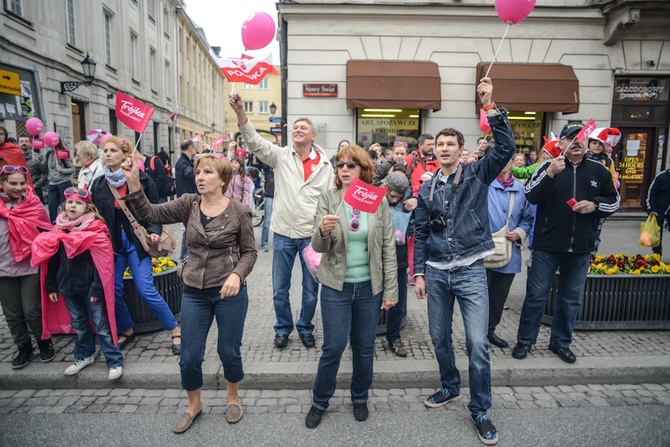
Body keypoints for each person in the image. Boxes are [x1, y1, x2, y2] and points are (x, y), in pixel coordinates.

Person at [120, 153, 257, 433]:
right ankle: (194, 404)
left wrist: (237, 274)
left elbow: (250, 253)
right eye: (198, 172)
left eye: (207, 172)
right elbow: (150, 213)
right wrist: (134, 182)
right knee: (190, 355)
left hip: (229, 292)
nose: (199, 177)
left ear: (222, 179)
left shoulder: (239, 211)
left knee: (228, 351)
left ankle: (233, 397)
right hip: (194, 291)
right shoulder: (188, 204)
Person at [413, 78, 513, 446]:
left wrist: (490, 106)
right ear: (433, 150)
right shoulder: (426, 188)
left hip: (471, 268)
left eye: (450, 144)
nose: (443, 148)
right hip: (437, 272)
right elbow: (421, 232)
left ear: (461, 149)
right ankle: (450, 386)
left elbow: (506, 146)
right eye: (439, 144)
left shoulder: (477, 173)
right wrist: (419, 272)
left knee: (476, 342)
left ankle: (481, 408)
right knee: (439, 339)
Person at [230, 93, 333, 349]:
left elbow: (334, 198)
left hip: (312, 237)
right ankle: (283, 328)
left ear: (313, 136)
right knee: (279, 289)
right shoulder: (281, 156)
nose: (297, 130)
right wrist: (241, 112)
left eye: (303, 128)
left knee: (311, 289)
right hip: (284, 233)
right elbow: (254, 142)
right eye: (295, 128)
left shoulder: (327, 166)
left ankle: (306, 327)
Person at [305, 144, 398, 429]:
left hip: (369, 288)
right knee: (333, 347)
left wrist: (391, 290)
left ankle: (360, 397)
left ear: (363, 168)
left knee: (364, 346)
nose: (344, 169)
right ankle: (320, 401)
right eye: (340, 164)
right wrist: (322, 231)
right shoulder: (329, 197)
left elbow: (387, 246)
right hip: (336, 285)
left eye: (351, 165)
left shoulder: (375, 200)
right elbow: (318, 245)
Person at [512, 121, 620, 364]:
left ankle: (560, 343)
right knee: (536, 296)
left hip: (581, 248)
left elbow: (613, 201)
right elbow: (531, 195)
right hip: (547, 246)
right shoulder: (547, 167)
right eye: (570, 139)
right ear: (561, 143)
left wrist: (595, 205)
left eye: (580, 139)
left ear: (586, 143)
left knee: (571, 299)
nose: (576, 144)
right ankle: (525, 341)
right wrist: (550, 174)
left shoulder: (599, 171)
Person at [90, 136, 181, 353]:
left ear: (125, 154)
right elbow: (94, 214)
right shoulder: (99, 183)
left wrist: (154, 231)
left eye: (113, 150)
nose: (108, 154)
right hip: (113, 245)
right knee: (113, 289)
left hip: (138, 243)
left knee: (146, 288)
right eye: (105, 151)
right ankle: (127, 329)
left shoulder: (139, 178)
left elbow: (155, 207)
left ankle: (174, 329)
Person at [32, 188, 122, 380]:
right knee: (79, 324)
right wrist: (52, 285)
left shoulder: (95, 229)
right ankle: (85, 355)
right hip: (68, 287)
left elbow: (103, 263)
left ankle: (114, 360)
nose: (73, 206)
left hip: (90, 287)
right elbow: (53, 260)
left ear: (88, 208)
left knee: (101, 325)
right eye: (70, 202)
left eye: (79, 203)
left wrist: (98, 286)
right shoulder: (59, 229)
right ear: (64, 206)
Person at [0, 165, 54, 369]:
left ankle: (43, 341)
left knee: (31, 309)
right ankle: (23, 346)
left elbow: (47, 230)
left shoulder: (33, 204)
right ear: (2, 184)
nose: (19, 187)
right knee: (12, 313)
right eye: (13, 183)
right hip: (3, 267)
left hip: (30, 265)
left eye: (22, 183)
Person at [485, 159, 534, 349]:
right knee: (480, 298)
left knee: (498, 298)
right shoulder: (484, 184)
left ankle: (490, 331)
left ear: (514, 162)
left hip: (509, 253)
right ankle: (477, 336)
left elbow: (527, 217)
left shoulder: (521, 189)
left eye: (509, 158)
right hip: (484, 252)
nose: (504, 161)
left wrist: (520, 232)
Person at [382, 172, 412, 357]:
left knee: (397, 302)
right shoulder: (375, 201)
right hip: (376, 259)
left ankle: (393, 337)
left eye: (398, 197)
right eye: (391, 195)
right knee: (371, 302)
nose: (394, 200)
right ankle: (362, 339)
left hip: (399, 259)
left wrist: (415, 201)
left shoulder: (406, 206)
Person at [44, 141, 75, 222]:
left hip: (63, 182)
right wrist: (37, 163)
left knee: (64, 205)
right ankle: (54, 224)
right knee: (51, 206)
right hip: (52, 183)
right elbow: (44, 168)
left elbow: (72, 169)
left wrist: (61, 170)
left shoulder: (64, 153)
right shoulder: (48, 154)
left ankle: (65, 222)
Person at [646, 167, 670, 256]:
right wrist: (652, 209)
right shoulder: (661, 176)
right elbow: (652, 192)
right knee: (657, 233)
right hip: (659, 209)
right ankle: (657, 255)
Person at [19, 135, 46, 201]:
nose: (24, 143)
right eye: (21, 141)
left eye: (26, 141)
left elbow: (45, 172)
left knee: (38, 210)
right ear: (18, 144)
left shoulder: (38, 157)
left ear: (30, 143)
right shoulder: (15, 157)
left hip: (35, 188)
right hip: (20, 188)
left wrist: (36, 185)